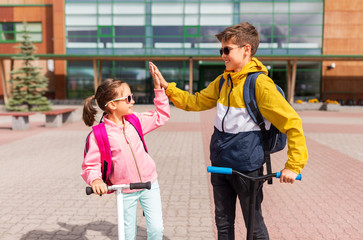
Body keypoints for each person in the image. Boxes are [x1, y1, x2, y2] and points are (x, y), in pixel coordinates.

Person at [149, 22, 308, 240]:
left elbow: (292, 123)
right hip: (220, 164)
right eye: (221, 50)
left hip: (247, 168)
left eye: (227, 50)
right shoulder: (224, 80)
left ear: (246, 49)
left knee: (254, 226)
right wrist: (168, 88)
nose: (223, 55)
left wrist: (293, 166)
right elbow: (195, 101)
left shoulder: (261, 85)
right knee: (223, 225)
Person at [81, 65, 170, 240]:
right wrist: (96, 179)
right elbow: (90, 165)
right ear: (113, 105)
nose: (133, 101)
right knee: (127, 235)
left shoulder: (135, 121)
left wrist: (158, 88)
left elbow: (162, 115)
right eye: (128, 98)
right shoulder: (98, 135)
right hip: (124, 190)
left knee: (156, 230)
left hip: (149, 183)